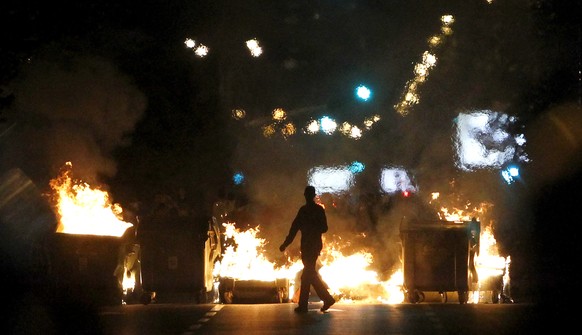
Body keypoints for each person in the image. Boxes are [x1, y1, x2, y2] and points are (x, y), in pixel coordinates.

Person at [279, 186, 336, 313]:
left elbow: (295, 229)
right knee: (309, 275)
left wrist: (285, 243)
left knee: (307, 274)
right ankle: (325, 299)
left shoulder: (307, 211)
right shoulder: (309, 210)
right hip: (310, 246)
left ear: (307, 195)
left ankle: (306, 305)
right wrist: (285, 243)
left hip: (310, 246)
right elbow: (295, 228)